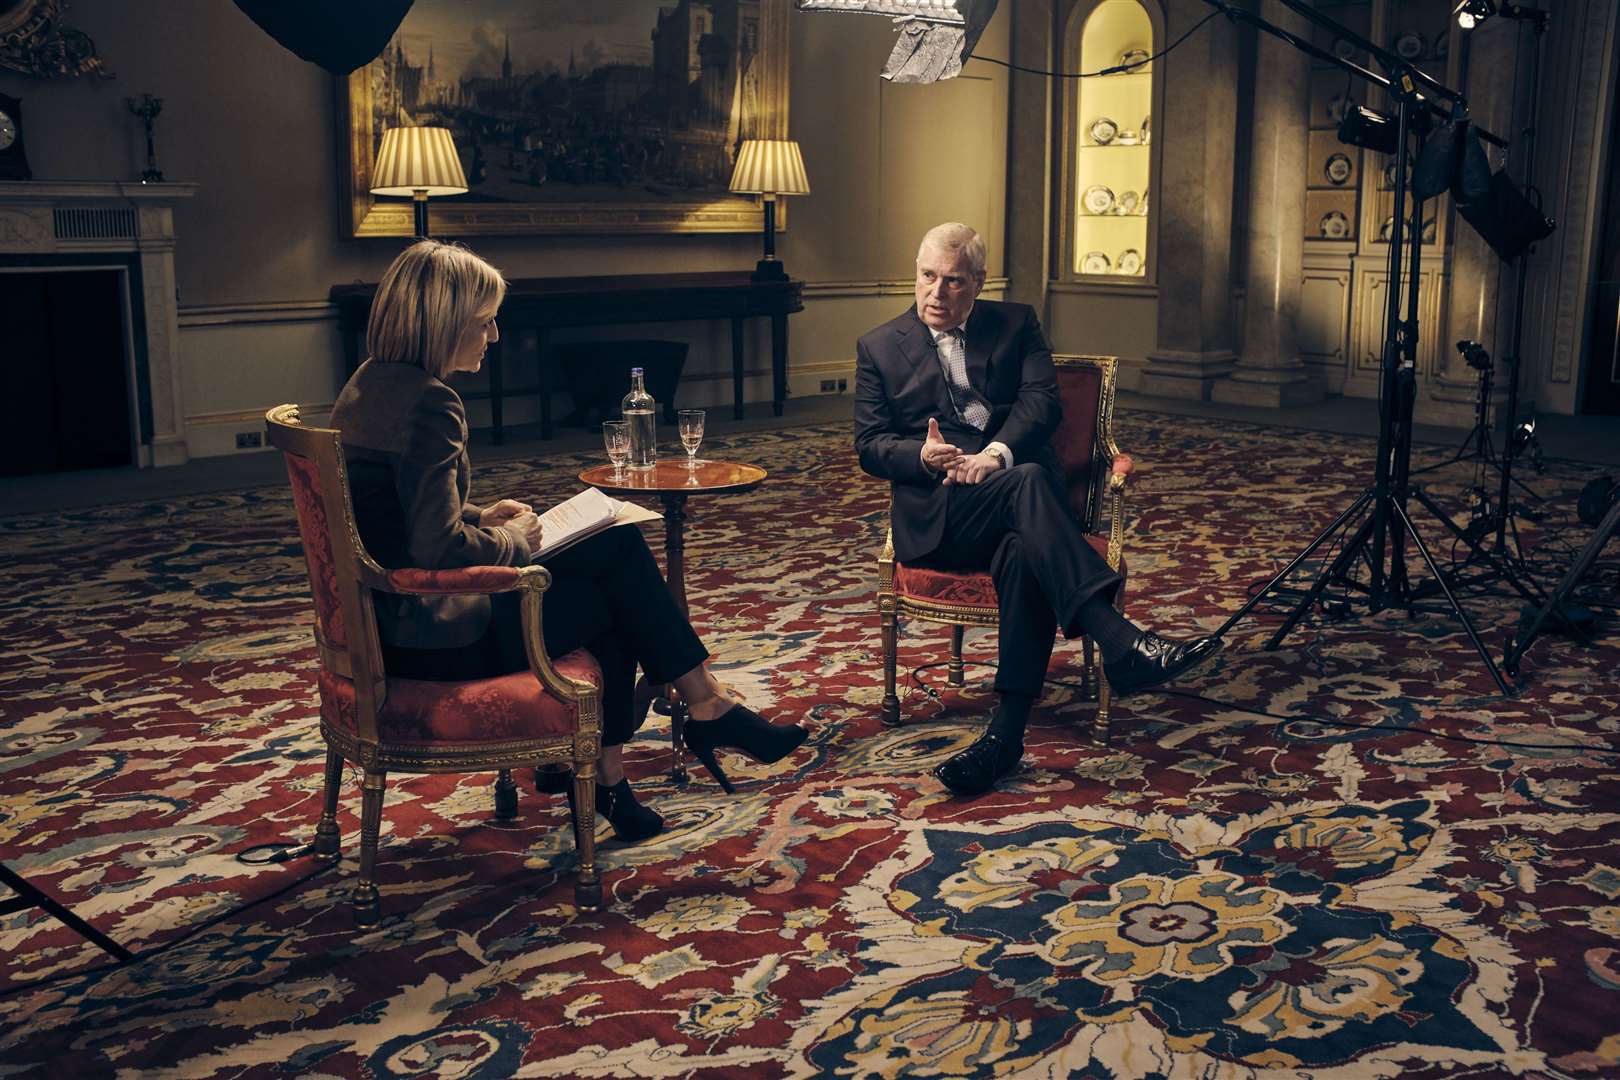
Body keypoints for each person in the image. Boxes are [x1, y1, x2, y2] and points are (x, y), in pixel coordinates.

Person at [329, 240, 806, 841]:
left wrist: (475, 514)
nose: (496, 335)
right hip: (435, 637)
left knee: (611, 561)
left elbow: (389, 512)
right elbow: (435, 551)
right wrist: (510, 538)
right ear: (444, 324)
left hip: (383, 627)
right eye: (484, 322)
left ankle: (631, 763)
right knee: (614, 581)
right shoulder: (432, 403)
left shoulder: (369, 384)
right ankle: (693, 714)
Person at [853, 223, 1222, 797]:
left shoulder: (1016, 323)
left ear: (977, 282)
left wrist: (995, 454)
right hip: (941, 518)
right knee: (1026, 483)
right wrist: (922, 456)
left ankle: (1004, 738)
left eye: (953, 282)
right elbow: (869, 444)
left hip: (1015, 505)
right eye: (927, 277)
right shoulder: (879, 345)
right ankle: (1118, 641)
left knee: (1025, 544)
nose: (936, 293)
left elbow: (1041, 403)